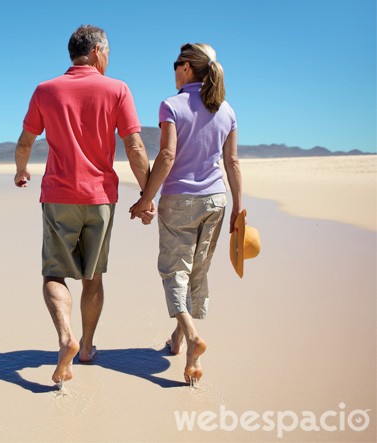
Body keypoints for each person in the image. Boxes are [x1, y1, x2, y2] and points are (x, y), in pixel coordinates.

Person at [14, 25, 152, 386]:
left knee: (54, 274)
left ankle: (65, 338)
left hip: (59, 196)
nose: (109, 58)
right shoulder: (118, 89)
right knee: (93, 276)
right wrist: (147, 195)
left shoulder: (45, 90)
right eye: (108, 52)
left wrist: (20, 171)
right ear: (96, 51)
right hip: (100, 198)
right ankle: (87, 346)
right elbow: (135, 147)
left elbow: (26, 141)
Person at [130, 43, 243, 386]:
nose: (174, 69)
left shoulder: (172, 105)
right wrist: (239, 206)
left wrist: (145, 200)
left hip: (179, 200)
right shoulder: (226, 110)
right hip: (216, 201)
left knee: (173, 272)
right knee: (196, 270)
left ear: (187, 69)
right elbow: (232, 162)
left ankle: (192, 336)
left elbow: (166, 156)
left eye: (177, 63)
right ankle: (178, 339)